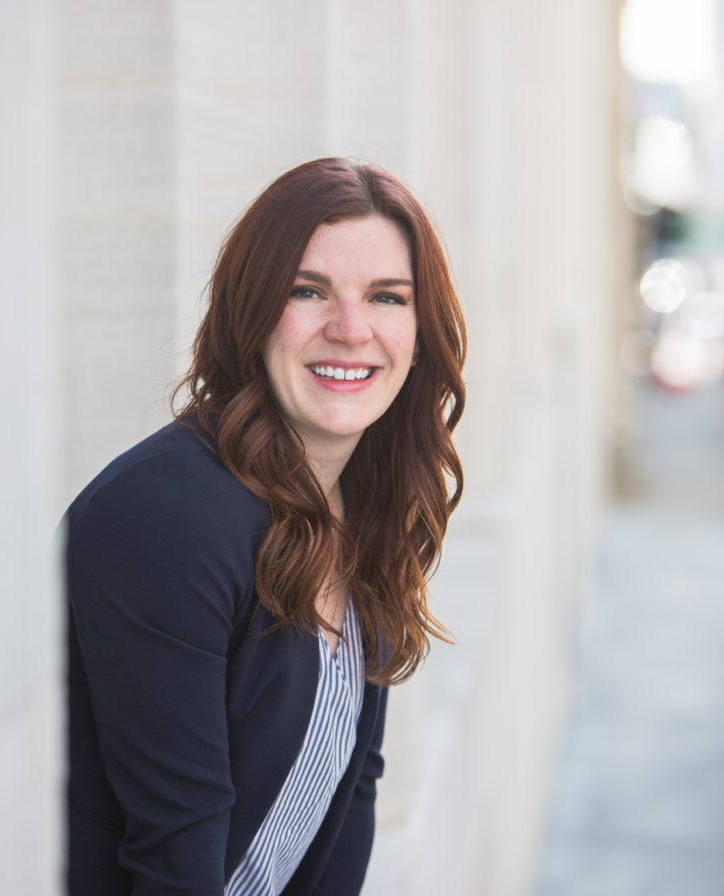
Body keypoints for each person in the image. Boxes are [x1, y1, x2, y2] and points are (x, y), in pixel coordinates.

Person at [66, 156, 466, 895]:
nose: (350, 329)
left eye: (386, 296)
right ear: (252, 312)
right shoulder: (168, 518)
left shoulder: (357, 498)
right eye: (306, 291)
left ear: (419, 331)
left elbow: (351, 792)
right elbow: (173, 854)